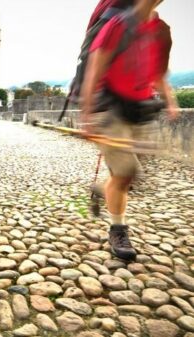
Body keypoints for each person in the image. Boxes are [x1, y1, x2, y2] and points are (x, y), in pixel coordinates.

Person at [81, 0, 178, 260]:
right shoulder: (116, 26)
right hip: (110, 108)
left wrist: (170, 100)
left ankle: (104, 189)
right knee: (127, 171)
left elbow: (159, 73)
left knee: (124, 177)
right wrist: (87, 113)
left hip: (140, 108)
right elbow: (95, 68)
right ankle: (118, 230)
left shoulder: (161, 30)